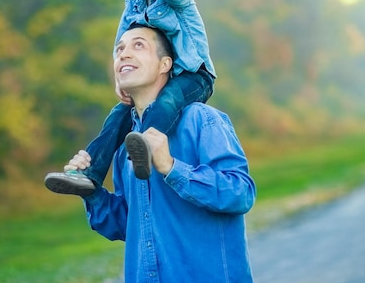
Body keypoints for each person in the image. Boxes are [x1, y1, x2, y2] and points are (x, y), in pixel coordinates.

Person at [62, 26, 256, 282]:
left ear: (165, 64)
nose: (124, 54)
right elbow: (129, 226)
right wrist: (92, 193)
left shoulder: (202, 120)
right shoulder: (124, 146)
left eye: (138, 45)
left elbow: (241, 194)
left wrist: (171, 167)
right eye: (119, 49)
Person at [44, 0, 216, 196]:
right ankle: (90, 174)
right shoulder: (134, 3)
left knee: (168, 100)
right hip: (162, 75)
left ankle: (146, 146)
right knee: (117, 116)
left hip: (195, 75)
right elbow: (120, 44)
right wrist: (120, 78)